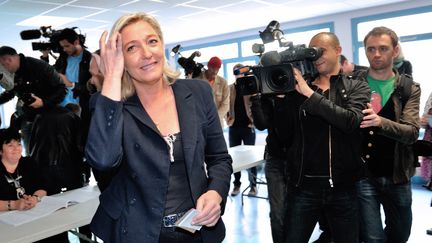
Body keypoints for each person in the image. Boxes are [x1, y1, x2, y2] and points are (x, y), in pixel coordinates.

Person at [85, 12, 233, 243]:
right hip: (136, 231)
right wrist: (112, 78)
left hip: (196, 229)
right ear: (120, 59)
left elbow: (219, 158)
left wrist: (215, 193)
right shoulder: (109, 106)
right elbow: (103, 160)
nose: (146, 53)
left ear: (162, 44)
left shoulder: (197, 92)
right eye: (132, 48)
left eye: (152, 41)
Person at [284, 32, 370, 243]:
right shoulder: (298, 89)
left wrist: (310, 94)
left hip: (342, 187)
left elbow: (351, 121)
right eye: (311, 52)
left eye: (321, 50)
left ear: (338, 50)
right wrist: (279, 100)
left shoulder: (356, 86)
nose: (316, 56)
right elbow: (284, 135)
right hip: (303, 187)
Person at [355, 26, 420, 243]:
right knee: (373, 238)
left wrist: (380, 122)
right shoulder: (353, 84)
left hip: (398, 174)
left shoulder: (410, 87)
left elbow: (411, 132)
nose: (376, 54)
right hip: (364, 175)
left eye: (383, 48)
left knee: (400, 235)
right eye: (370, 49)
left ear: (394, 51)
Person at [0, 46, 67, 154]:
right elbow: (11, 92)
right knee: (30, 154)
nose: (3, 69)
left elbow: (62, 90)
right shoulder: (13, 74)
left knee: (47, 154)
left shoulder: (39, 67)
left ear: (8, 60)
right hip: (27, 118)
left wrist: (43, 102)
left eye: (2, 66)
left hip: (47, 120)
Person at [250, 91, 292, 243]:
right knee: (277, 213)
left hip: (297, 160)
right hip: (275, 159)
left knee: (297, 212)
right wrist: (255, 99)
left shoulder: (298, 92)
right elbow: (261, 125)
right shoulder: (266, 98)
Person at [226, 63, 256, 197]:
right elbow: (225, 104)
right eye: (235, 71)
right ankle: (236, 184)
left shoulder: (249, 86)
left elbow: (255, 102)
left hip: (248, 126)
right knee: (234, 158)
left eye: (240, 71)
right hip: (234, 127)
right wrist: (227, 118)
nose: (238, 73)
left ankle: (253, 185)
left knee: (251, 157)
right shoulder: (230, 88)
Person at [0, 128, 46, 212]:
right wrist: (14, 204)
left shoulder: (29, 163)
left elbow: (42, 187)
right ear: (0, 151)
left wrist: (35, 198)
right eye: (10, 145)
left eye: (18, 144)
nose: (16, 148)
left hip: (32, 213)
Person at [196, 56, 229, 128]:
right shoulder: (197, 81)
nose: (215, 71)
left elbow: (225, 105)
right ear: (208, 66)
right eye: (213, 68)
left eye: (217, 69)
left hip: (217, 123)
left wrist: (214, 118)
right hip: (201, 123)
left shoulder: (223, 82)